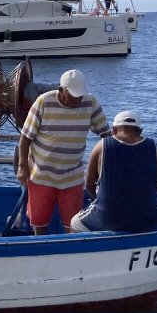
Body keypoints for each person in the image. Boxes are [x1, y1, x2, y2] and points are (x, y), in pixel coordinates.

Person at [16, 68, 110, 234]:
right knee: (39, 221)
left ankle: (71, 251)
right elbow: (25, 137)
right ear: (61, 90)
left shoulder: (90, 103)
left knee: (73, 223)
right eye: (72, 95)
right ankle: (40, 246)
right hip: (41, 175)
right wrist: (23, 166)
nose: (76, 99)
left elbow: (106, 137)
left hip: (72, 176)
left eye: (79, 95)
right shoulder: (43, 102)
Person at [71, 111, 157, 233]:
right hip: (145, 217)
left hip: (107, 218)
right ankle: (153, 235)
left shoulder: (102, 145)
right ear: (140, 131)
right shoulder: (154, 146)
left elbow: (89, 185)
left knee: (74, 223)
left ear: (113, 131)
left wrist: (103, 201)